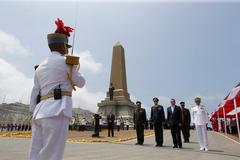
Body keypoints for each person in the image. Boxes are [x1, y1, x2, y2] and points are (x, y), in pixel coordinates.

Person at [29, 18, 85, 160]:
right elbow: (81, 82)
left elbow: (35, 92)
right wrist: (75, 67)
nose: (67, 49)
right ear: (61, 46)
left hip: (39, 111)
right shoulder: (66, 62)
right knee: (53, 153)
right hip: (57, 110)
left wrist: (32, 111)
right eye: (66, 45)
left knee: (35, 151)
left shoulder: (39, 67)